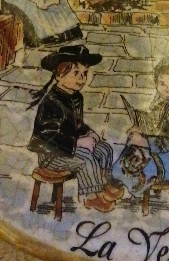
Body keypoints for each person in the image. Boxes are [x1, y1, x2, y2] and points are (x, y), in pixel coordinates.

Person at [27, 44, 116, 213]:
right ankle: (91, 197)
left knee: (104, 149)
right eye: (76, 73)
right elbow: (49, 136)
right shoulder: (51, 102)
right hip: (51, 154)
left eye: (84, 73)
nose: (81, 78)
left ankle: (104, 184)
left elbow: (77, 124)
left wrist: (88, 133)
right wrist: (77, 143)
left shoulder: (76, 97)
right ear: (59, 75)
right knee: (85, 159)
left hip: (69, 148)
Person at [109, 57, 169, 201]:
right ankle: (115, 187)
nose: (167, 87)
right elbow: (153, 126)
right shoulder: (161, 104)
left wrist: (145, 141)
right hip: (154, 151)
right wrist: (140, 129)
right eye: (162, 83)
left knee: (137, 162)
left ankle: (118, 190)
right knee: (131, 150)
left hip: (167, 160)